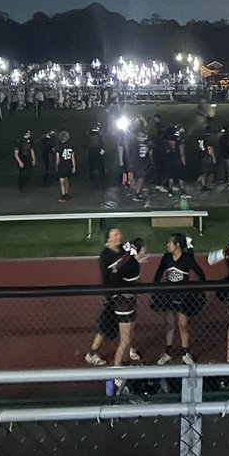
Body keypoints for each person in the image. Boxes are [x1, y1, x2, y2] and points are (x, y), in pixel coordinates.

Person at [152, 233, 206, 365]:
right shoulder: (166, 257)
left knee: (183, 325)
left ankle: (185, 353)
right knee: (170, 325)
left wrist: (198, 290)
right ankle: (168, 353)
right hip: (168, 296)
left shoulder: (187, 258)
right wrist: (156, 289)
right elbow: (158, 273)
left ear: (177, 245)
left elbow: (201, 274)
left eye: (170, 243)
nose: (167, 245)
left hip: (183, 297)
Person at [109, 238, 146, 395]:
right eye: (144, 249)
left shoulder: (132, 261)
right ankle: (116, 373)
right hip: (123, 305)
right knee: (124, 341)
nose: (145, 251)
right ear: (140, 250)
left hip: (128, 303)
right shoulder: (132, 264)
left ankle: (124, 364)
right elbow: (116, 276)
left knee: (129, 339)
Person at [86, 228, 124, 366]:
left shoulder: (122, 250)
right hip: (114, 295)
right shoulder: (105, 255)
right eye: (115, 235)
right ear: (108, 239)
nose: (118, 237)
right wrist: (111, 293)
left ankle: (128, 347)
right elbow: (106, 277)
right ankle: (92, 353)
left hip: (124, 292)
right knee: (107, 325)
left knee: (127, 322)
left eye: (119, 234)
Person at [55, 130, 77, 202]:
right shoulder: (71, 146)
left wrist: (56, 166)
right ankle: (66, 194)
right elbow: (73, 157)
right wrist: (74, 166)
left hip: (62, 165)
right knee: (66, 179)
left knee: (62, 181)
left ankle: (63, 196)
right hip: (69, 164)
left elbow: (57, 158)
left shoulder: (59, 146)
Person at [86, 123, 107, 188]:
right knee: (97, 168)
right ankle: (97, 183)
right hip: (95, 151)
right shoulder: (99, 136)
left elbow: (103, 146)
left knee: (94, 168)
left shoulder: (91, 136)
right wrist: (102, 154)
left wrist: (102, 153)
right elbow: (103, 146)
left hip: (94, 151)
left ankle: (95, 183)